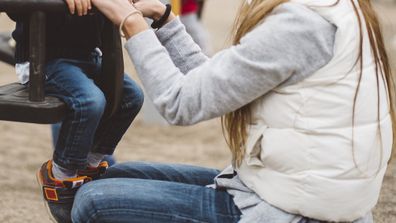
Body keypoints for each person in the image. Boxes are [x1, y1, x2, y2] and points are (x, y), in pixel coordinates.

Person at [71, 0, 393, 222]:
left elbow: (179, 103)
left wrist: (131, 23)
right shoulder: (334, 9)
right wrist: (164, 20)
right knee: (114, 175)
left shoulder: (302, 23)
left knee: (92, 202)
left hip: (294, 211)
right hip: (295, 192)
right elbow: (222, 89)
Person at [8, 0, 144, 222]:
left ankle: (89, 165)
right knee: (90, 101)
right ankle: (60, 176)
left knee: (130, 97)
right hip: (43, 60)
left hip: (89, 55)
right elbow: (15, 7)